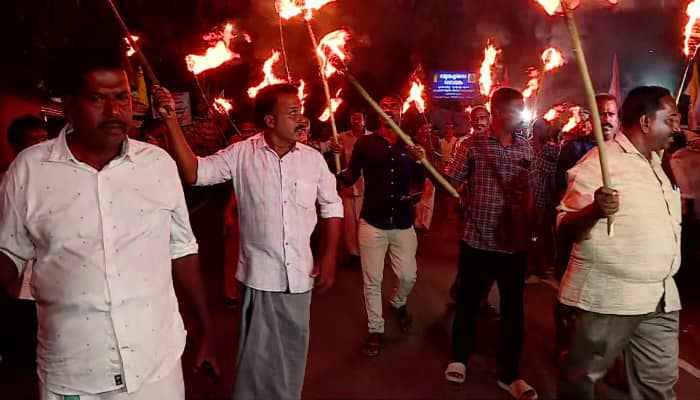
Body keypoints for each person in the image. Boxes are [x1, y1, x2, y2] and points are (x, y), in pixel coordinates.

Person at [0, 50, 216, 399]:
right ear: (68, 104)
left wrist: (205, 328)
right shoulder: (29, 170)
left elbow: (182, 249)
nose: (116, 112)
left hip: (155, 366)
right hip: (73, 372)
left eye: (122, 97)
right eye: (97, 99)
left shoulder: (157, 165)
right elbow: (9, 251)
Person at [161, 82, 343, 399]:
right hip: (259, 279)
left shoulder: (312, 160)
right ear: (270, 120)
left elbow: (332, 206)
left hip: (299, 279)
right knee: (256, 364)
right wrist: (171, 122)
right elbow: (194, 172)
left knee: (291, 358)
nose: (301, 119)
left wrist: (328, 258)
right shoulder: (242, 154)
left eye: (300, 111)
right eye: (292, 112)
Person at [557, 86, 682, 400]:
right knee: (582, 382)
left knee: (659, 385)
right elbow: (564, 226)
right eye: (670, 120)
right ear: (644, 123)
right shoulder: (600, 161)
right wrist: (596, 209)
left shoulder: (658, 163)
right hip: (610, 299)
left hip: (660, 298)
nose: (677, 128)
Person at [443, 88, 555, 400]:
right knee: (467, 304)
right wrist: (428, 159)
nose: (522, 115)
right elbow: (450, 180)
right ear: (498, 113)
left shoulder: (527, 149)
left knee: (513, 311)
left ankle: (510, 374)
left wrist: (532, 227)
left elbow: (536, 194)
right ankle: (459, 358)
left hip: (513, 245)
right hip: (477, 240)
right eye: (516, 110)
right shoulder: (472, 145)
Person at [338, 96, 426, 357]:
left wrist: (420, 162)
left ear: (400, 113)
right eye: (385, 108)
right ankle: (376, 329)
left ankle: (398, 302)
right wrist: (330, 158)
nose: (390, 112)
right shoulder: (365, 143)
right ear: (377, 113)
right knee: (372, 280)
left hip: (402, 221)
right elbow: (349, 176)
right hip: (372, 222)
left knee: (409, 275)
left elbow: (421, 182)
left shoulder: (410, 145)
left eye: (395, 109)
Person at [329, 111, 371, 263]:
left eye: (358, 118)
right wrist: (337, 153)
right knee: (349, 222)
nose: (355, 121)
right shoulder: (339, 138)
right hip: (347, 187)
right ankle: (353, 253)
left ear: (364, 121)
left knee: (365, 221)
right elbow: (333, 159)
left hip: (367, 187)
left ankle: (366, 252)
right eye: (353, 118)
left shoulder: (371, 138)